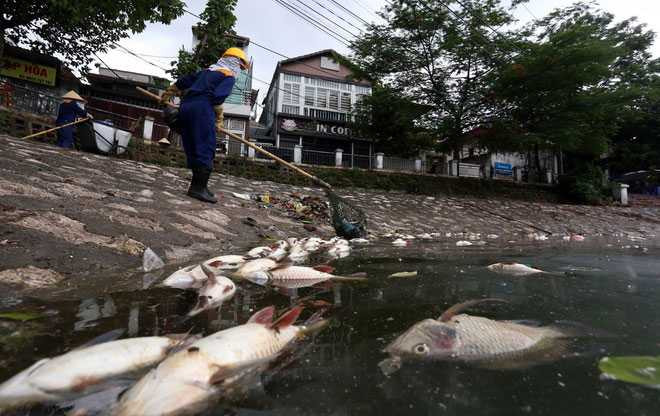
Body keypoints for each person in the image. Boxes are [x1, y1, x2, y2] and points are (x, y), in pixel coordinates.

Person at [160, 47, 249, 203]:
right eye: (241, 67)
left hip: (185, 106)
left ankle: (200, 185)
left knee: (192, 144)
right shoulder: (228, 76)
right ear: (235, 63)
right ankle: (198, 188)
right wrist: (218, 118)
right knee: (206, 146)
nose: (240, 71)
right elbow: (217, 98)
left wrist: (167, 94)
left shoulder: (207, 72)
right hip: (202, 109)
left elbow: (182, 82)